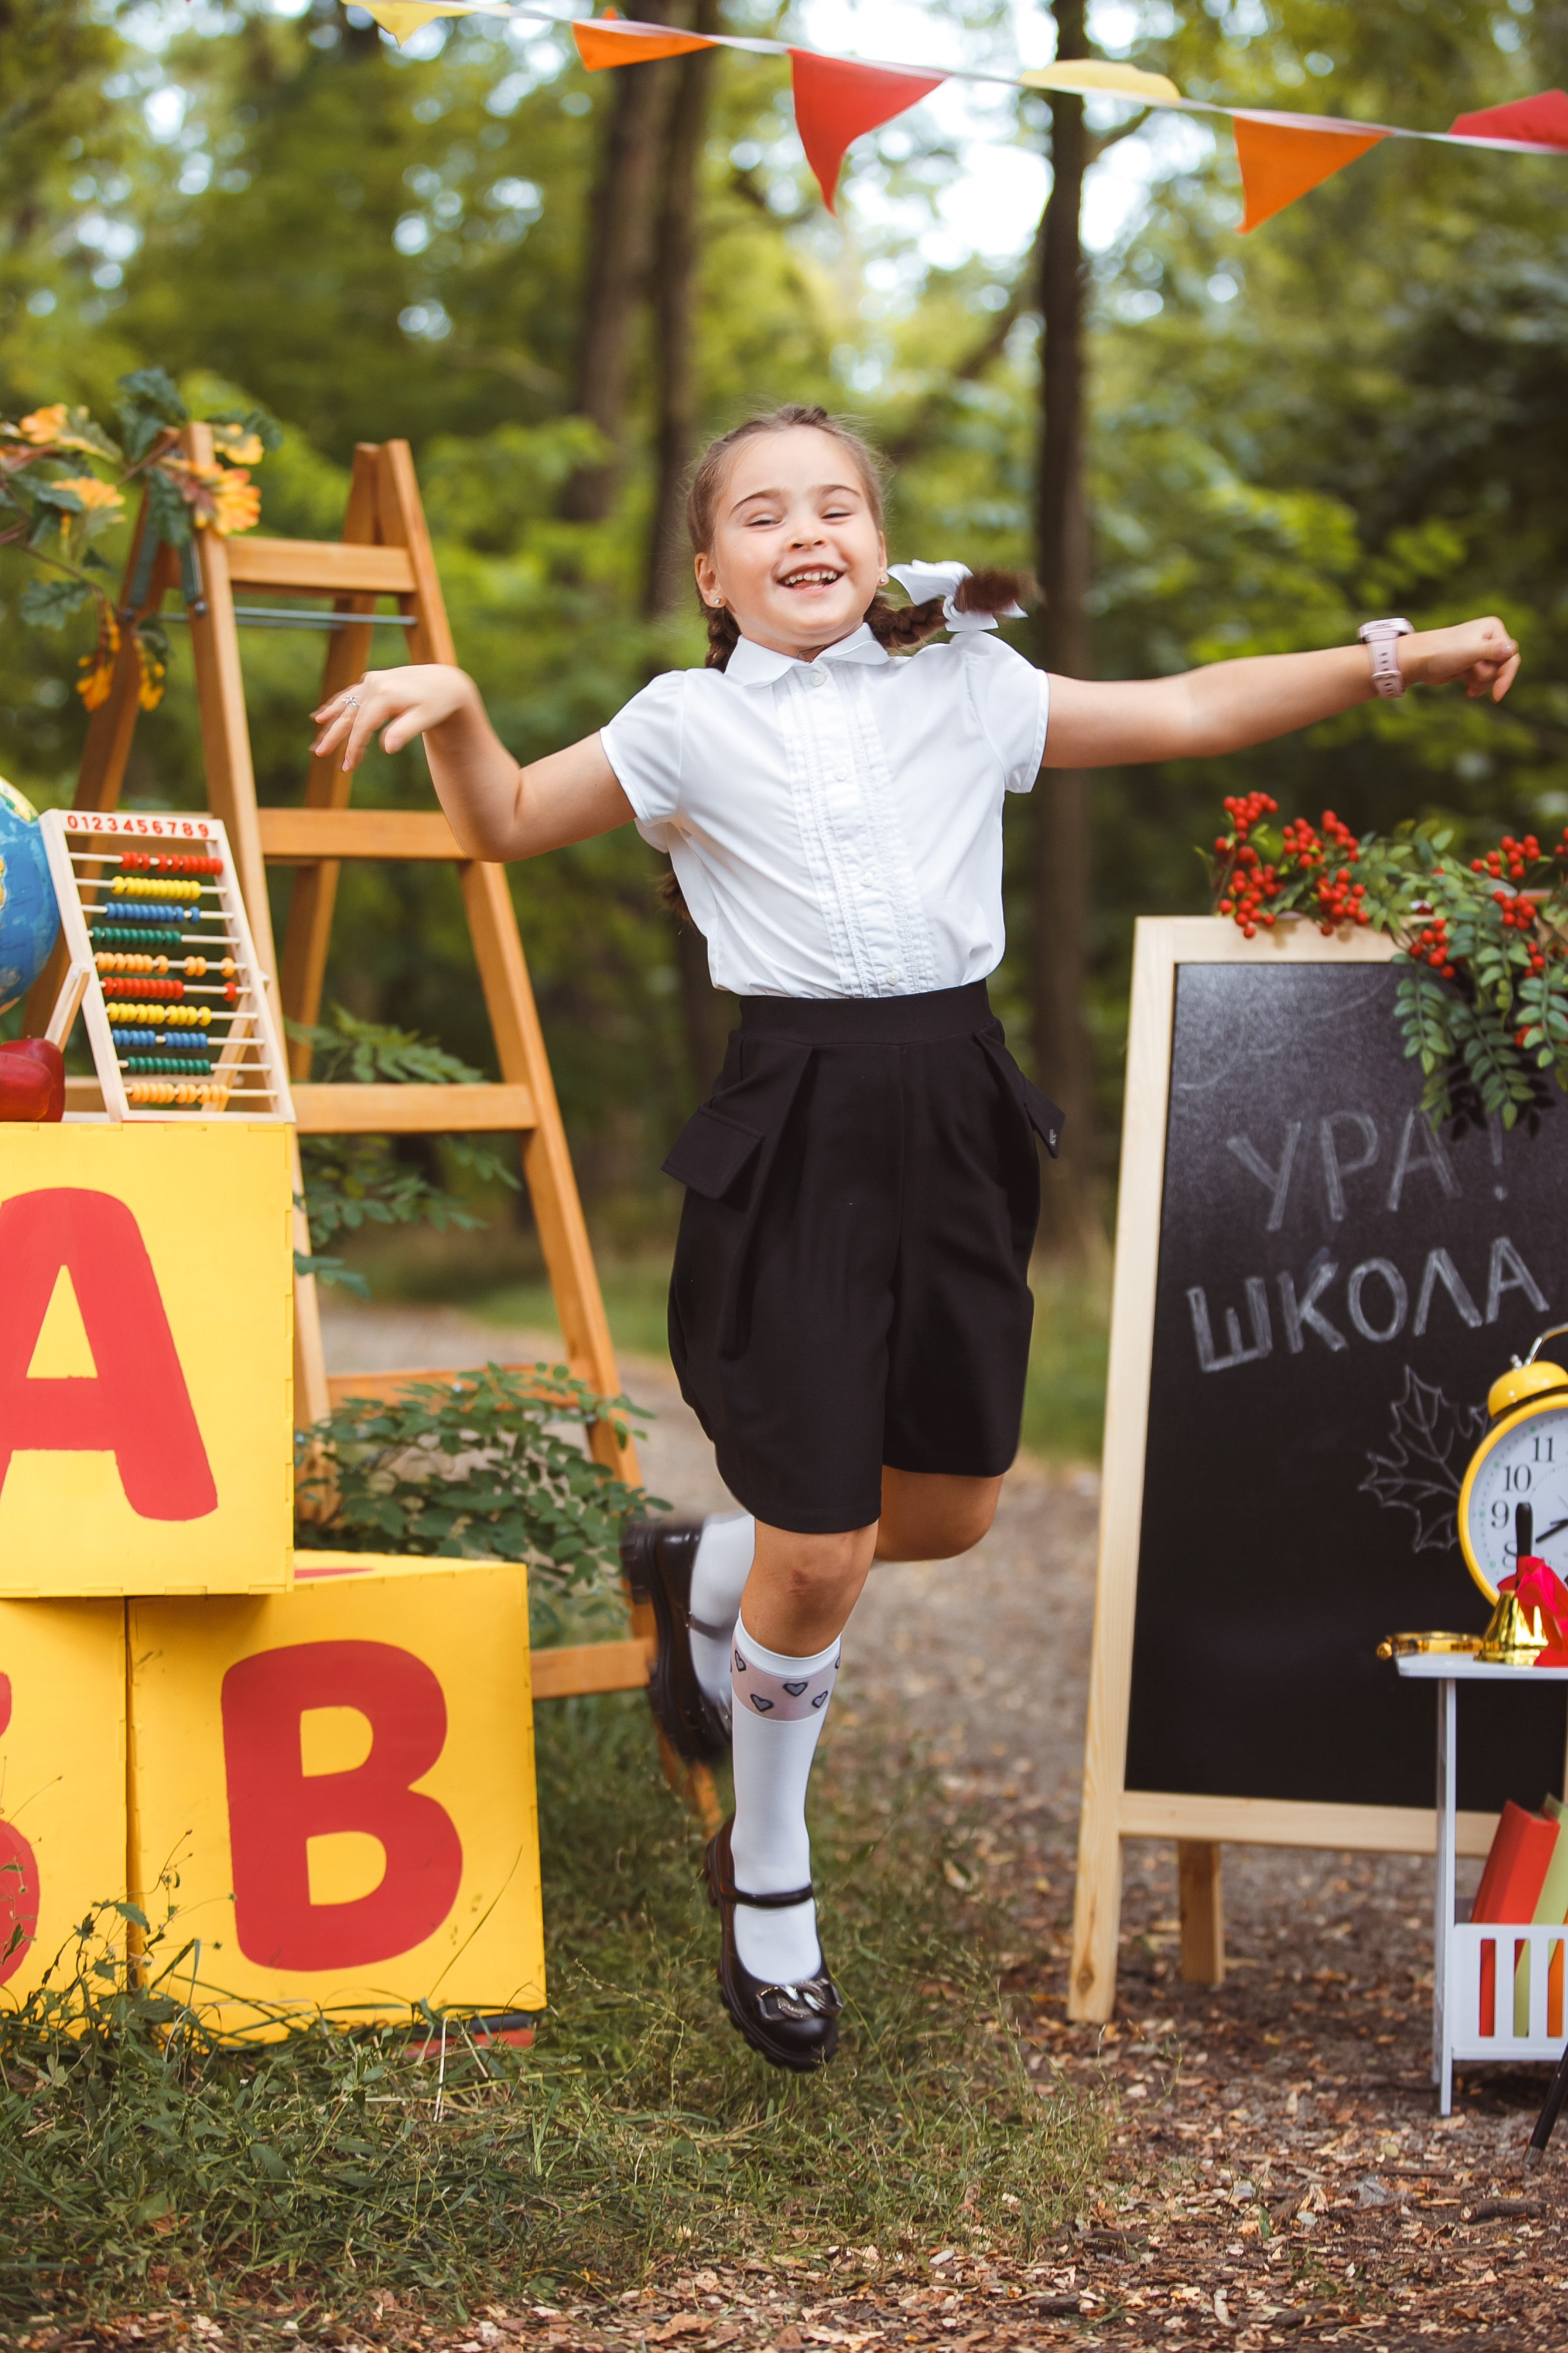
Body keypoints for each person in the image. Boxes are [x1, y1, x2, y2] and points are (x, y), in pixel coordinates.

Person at [310, 403, 1520, 2073]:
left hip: (958, 1119)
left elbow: (1186, 705)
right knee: (824, 1549)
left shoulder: (969, 686)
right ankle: (766, 1866)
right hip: (795, 1128)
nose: (804, 531)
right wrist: (457, 707)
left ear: (879, 542)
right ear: (710, 572)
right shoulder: (680, 725)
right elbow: (507, 819)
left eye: (836, 505)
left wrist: (1397, 658)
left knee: (938, 1517)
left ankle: (696, 1571)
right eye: (759, 514)